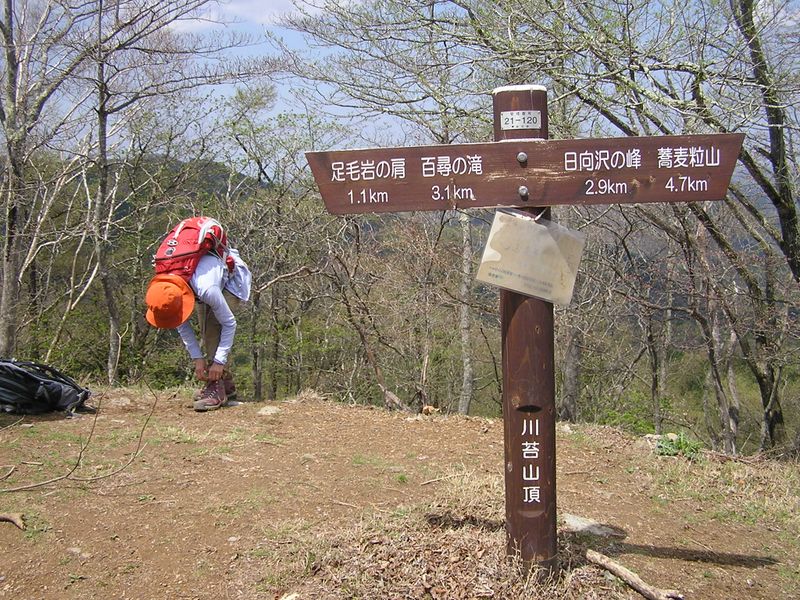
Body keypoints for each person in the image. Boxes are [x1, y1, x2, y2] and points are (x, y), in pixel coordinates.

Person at [145, 237, 251, 412]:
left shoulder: (206, 288)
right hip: (202, 280)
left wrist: (218, 362)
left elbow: (230, 324)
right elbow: (180, 323)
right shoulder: (166, 286)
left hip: (231, 279)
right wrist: (197, 359)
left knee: (212, 331)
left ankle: (216, 387)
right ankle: (226, 385)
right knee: (205, 332)